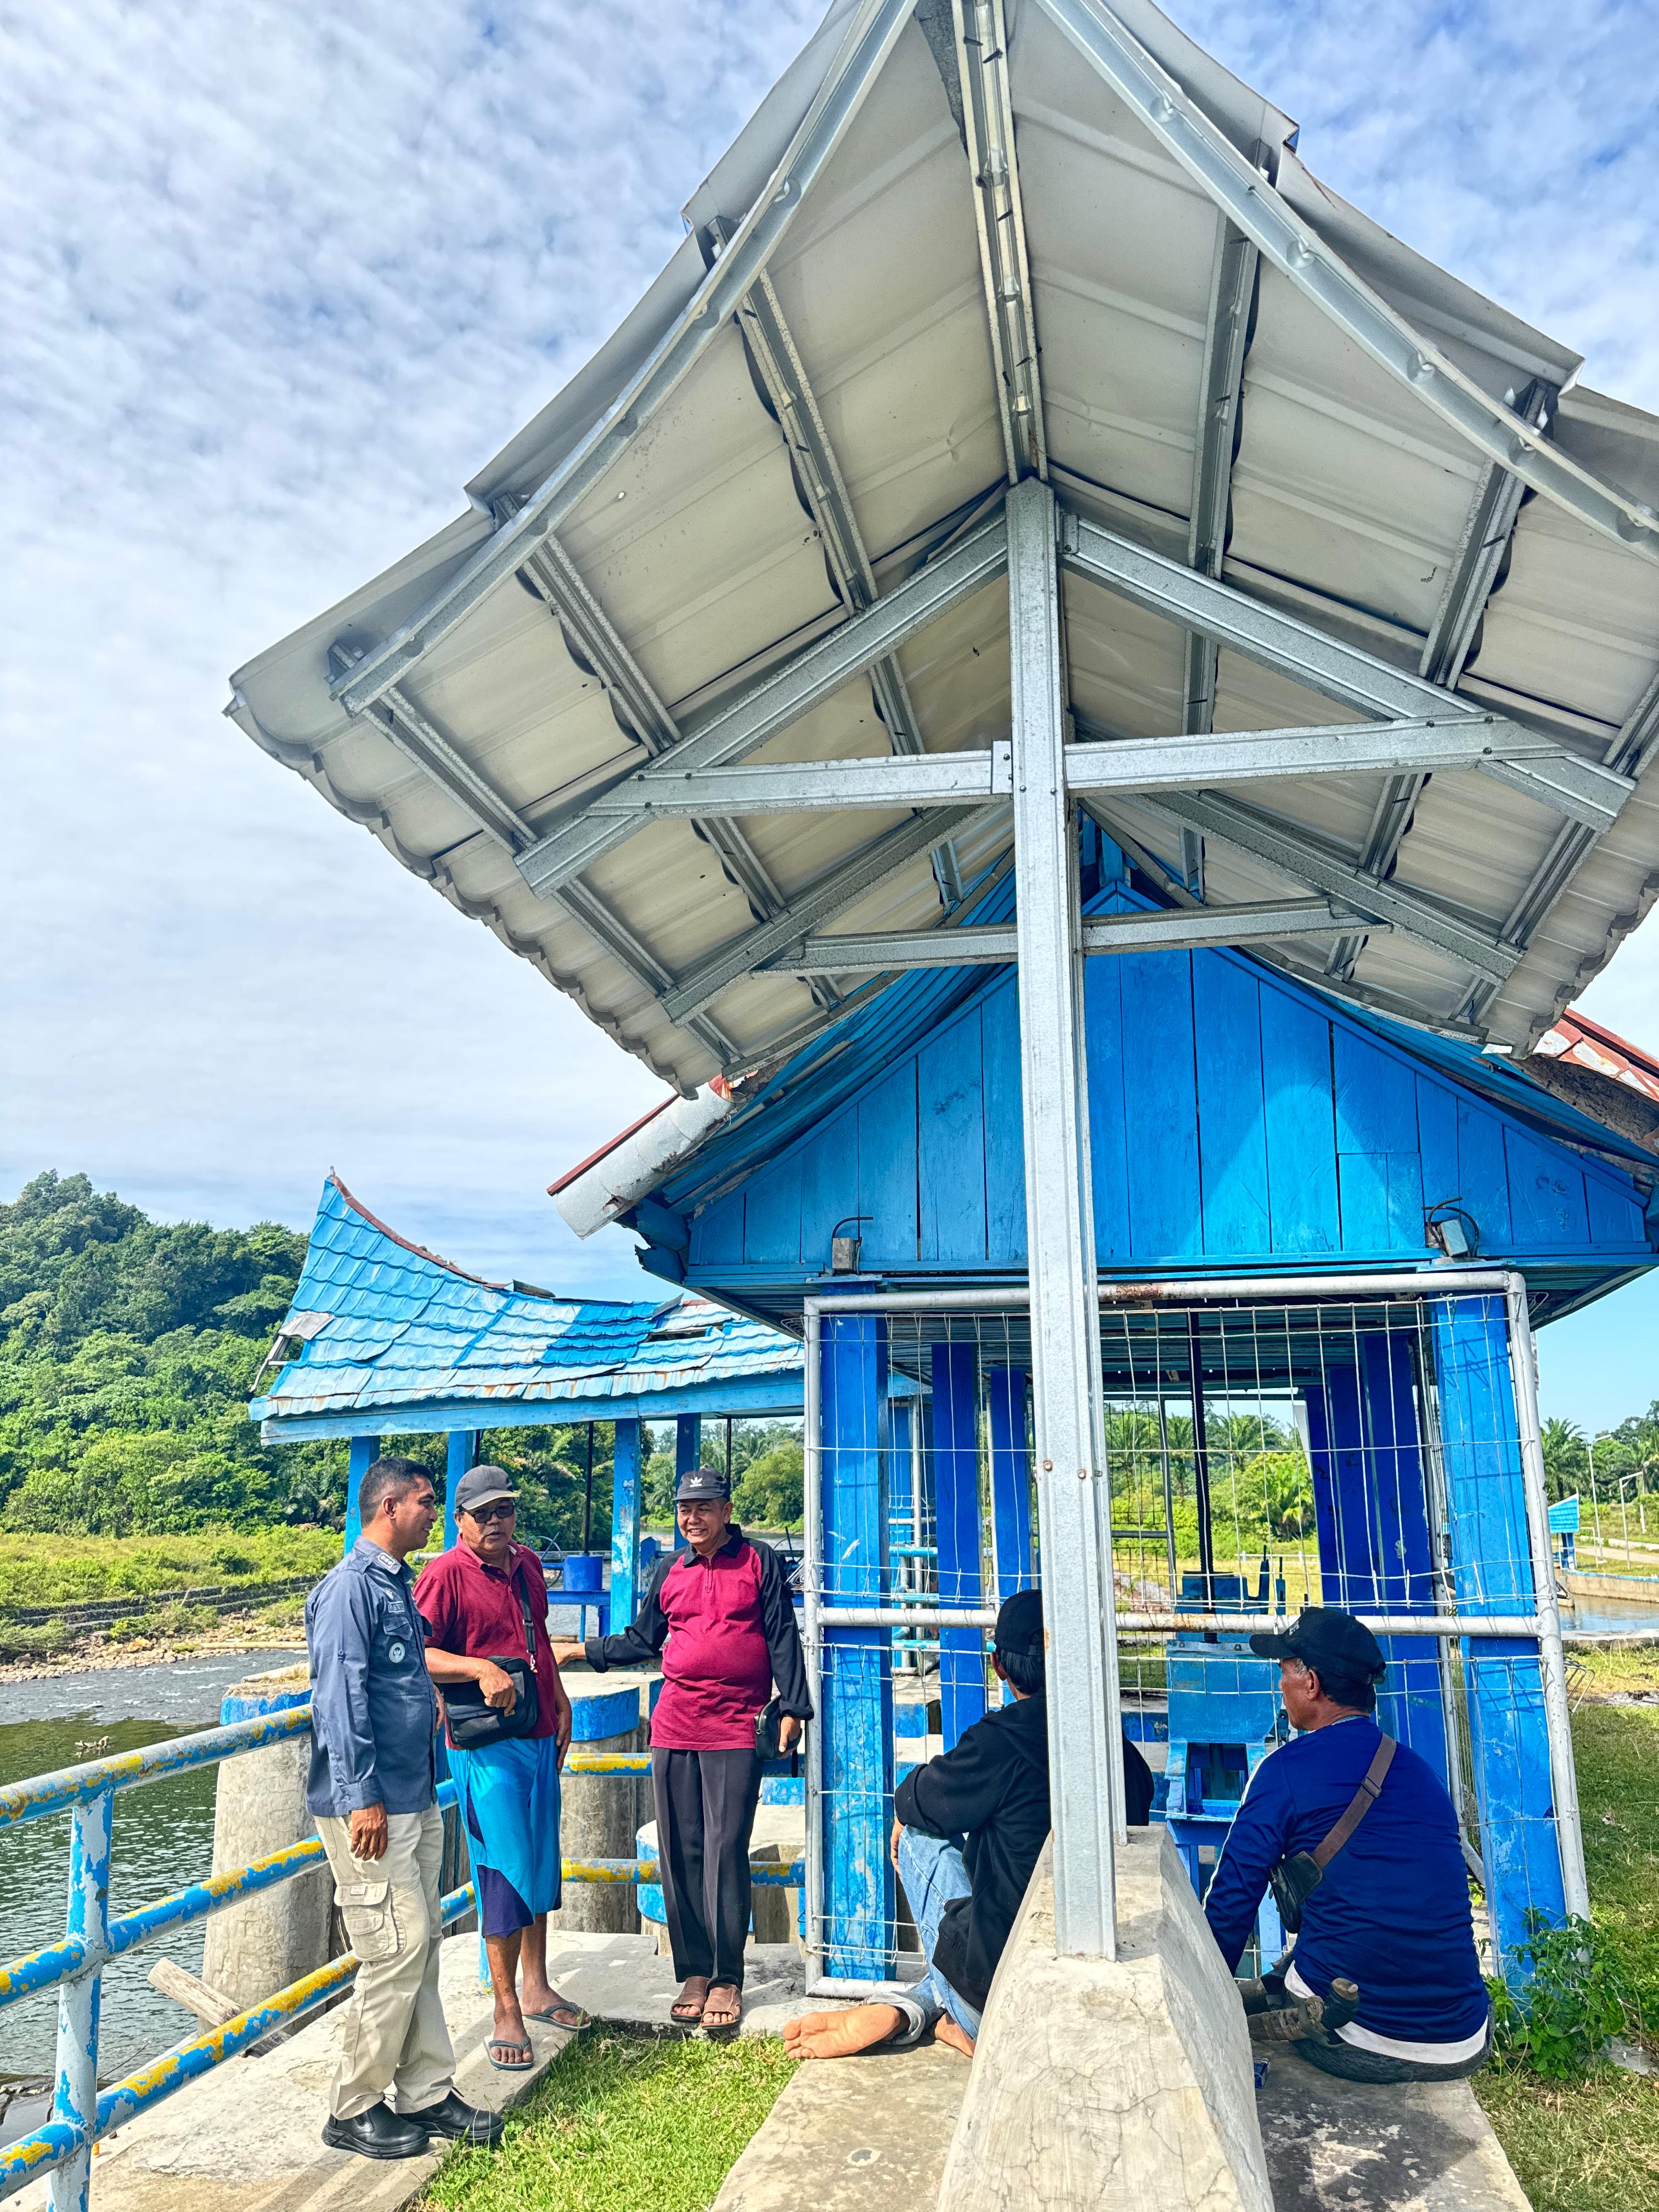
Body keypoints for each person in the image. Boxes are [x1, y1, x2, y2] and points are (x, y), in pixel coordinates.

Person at [785, 1588, 1155, 2062]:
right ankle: (912, 2009)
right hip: (1093, 1991)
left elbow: (918, 1797)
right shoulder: (1121, 1753)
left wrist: (908, 1813)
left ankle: (932, 2012)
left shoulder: (999, 1742)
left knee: (918, 1834)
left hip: (1004, 2004)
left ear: (999, 1666)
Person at [551, 1465, 811, 2033]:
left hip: (737, 1726)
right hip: (674, 1726)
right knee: (680, 1851)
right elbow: (644, 1639)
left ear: (726, 1508)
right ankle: (694, 1970)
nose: (692, 1519)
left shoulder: (759, 1561)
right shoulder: (670, 1569)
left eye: (704, 1508)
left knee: (725, 1848)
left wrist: (793, 1705)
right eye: (683, 1510)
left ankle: (728, 1976)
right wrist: (583, 1651)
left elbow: (782, 1635)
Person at [304, 1455, 503, 2159]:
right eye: (425, 1502)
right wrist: (362, 1798)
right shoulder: (349, 1591)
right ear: (389, 1506)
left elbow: (402, 1678)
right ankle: (353, 2104)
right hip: (373, 1803)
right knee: (393, 1946)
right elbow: (340, 1698)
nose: (433, 1513)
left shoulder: (395, 1585)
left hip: (412, 1793)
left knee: (419, 1947)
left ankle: (424, 2091)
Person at [1203, 1606, 1492, 2083]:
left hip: (1354, 2034)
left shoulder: (1284, 1772)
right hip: (1461, 2038)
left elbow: (1232, 1903)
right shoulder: (1423, 1774)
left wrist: (1203, 1999)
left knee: (1304, 1968)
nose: (1281, 1687)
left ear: (1312, 1684)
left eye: (1285, 1674)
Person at [415, 1464, 589, 2074]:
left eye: (504, 1510)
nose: (496, 1522)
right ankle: (506, 2006)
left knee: (539, 1863)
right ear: (459, 1521)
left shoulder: (528, 1564)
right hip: (485, 1746)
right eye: (482, 1513)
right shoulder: (444, 1575)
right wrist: (479, 1670)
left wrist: (560, 1695)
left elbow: (538, 1636)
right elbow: (418, 1653)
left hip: (538, 1730)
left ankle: (538, 1985)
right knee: (502, 1873)